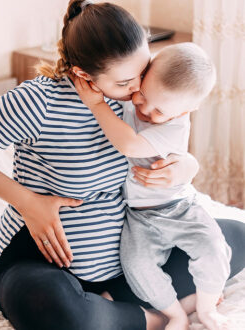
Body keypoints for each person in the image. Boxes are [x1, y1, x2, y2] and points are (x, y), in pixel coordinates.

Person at [0, 1, 245, 329]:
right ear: (84, 75)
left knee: (235, 238)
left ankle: (111, 307)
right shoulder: (36, 102)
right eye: (126, 82)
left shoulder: (137, 99)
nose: (138, 91)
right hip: (45, 261)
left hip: (130, 255)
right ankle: (150, 317)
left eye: (143, 73)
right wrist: (27, 201)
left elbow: (168, 139)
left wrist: (187, 165)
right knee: (49, 305)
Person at [73, 42, 231, 330]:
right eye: (142, 95)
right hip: (139, 216)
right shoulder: (132, 100)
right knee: (137, 267)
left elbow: (130, 144)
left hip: (178, 207)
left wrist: (95, 105)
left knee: (213, 248)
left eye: (159, 110)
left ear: (188, 110)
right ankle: (174, 313)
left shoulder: (176, 126)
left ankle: (207, 307)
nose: (145, 110)